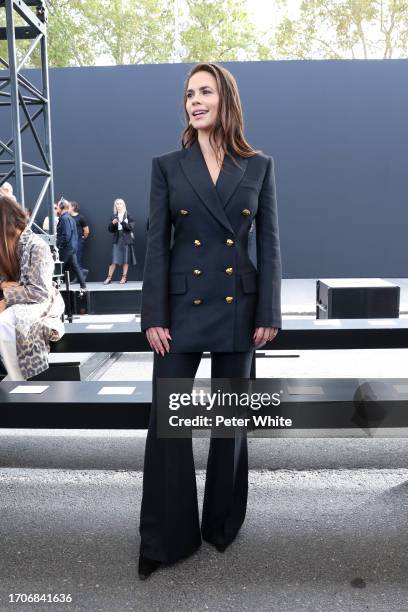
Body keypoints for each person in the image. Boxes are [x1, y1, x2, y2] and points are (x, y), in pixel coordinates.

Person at [138, 62, 282, 579]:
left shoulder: (259, 166)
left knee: (230, 425)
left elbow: (269, 242)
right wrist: (153, 313)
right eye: (188, 94)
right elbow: (157, 245)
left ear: (226, 100)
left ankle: (221, 524)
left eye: (205, 92)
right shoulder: (167, 166)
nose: (194, 101)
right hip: (179, 310)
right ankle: (166, 537)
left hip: (239, 310)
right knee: (167, 425)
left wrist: (268, 309)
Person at [0, 194, 65, 381]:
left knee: (5, 323)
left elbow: (39, 291)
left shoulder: (37, 247)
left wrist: (6, 298)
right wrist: (4, 285)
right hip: (21, 297)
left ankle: (18, 381)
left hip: (42, 301)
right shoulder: (7, 246)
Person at [103, 198, 136, 285]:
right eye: (117, 204)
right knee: (114, 260)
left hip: (126, 239)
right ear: (115, 205)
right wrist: (112, 223)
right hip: (117, 239)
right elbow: (110, 230)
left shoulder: (128, 215)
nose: (119, 205)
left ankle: (124, 277)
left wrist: (122, 222)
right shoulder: (113, 216)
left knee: (125, 259)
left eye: (120, 203)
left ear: (123, 205)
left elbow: (130, 228)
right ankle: (109, 278)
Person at [56, 198, 87, 290]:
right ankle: (83, 285)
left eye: (57, 207)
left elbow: (66, 235)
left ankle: (54, 288)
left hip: (66, 248)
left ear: (61, 207)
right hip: (71, 247)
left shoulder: (65, 219)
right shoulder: (70, 218)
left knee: (58, 267)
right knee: (75, 266)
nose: (57, 209)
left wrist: (59, 244)